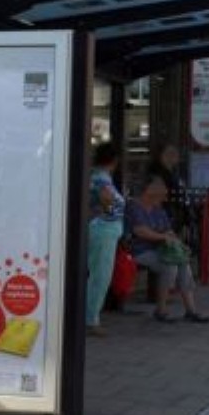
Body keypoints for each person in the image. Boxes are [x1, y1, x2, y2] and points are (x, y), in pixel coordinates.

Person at [125, 176, 209, 324]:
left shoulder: (158, 210)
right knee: (169, 266)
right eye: (160, 194)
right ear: (149, 192)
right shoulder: (134, 207)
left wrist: (178, 244)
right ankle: (161, 310)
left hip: (160, 249)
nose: (163, 197)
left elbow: (168, 231)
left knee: (182, 262)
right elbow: (140, 231)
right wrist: (163, 237)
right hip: (139, 250)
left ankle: (191, 310)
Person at [86, 142, 125, 337]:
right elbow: (106, 198)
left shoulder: (96, 175)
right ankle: (90, 320)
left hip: (101, 229)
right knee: (100, 276)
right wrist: (110, 211)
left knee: (97, 274)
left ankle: (89, 316)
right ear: (115, 160)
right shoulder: (102, 178)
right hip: (104, 229)